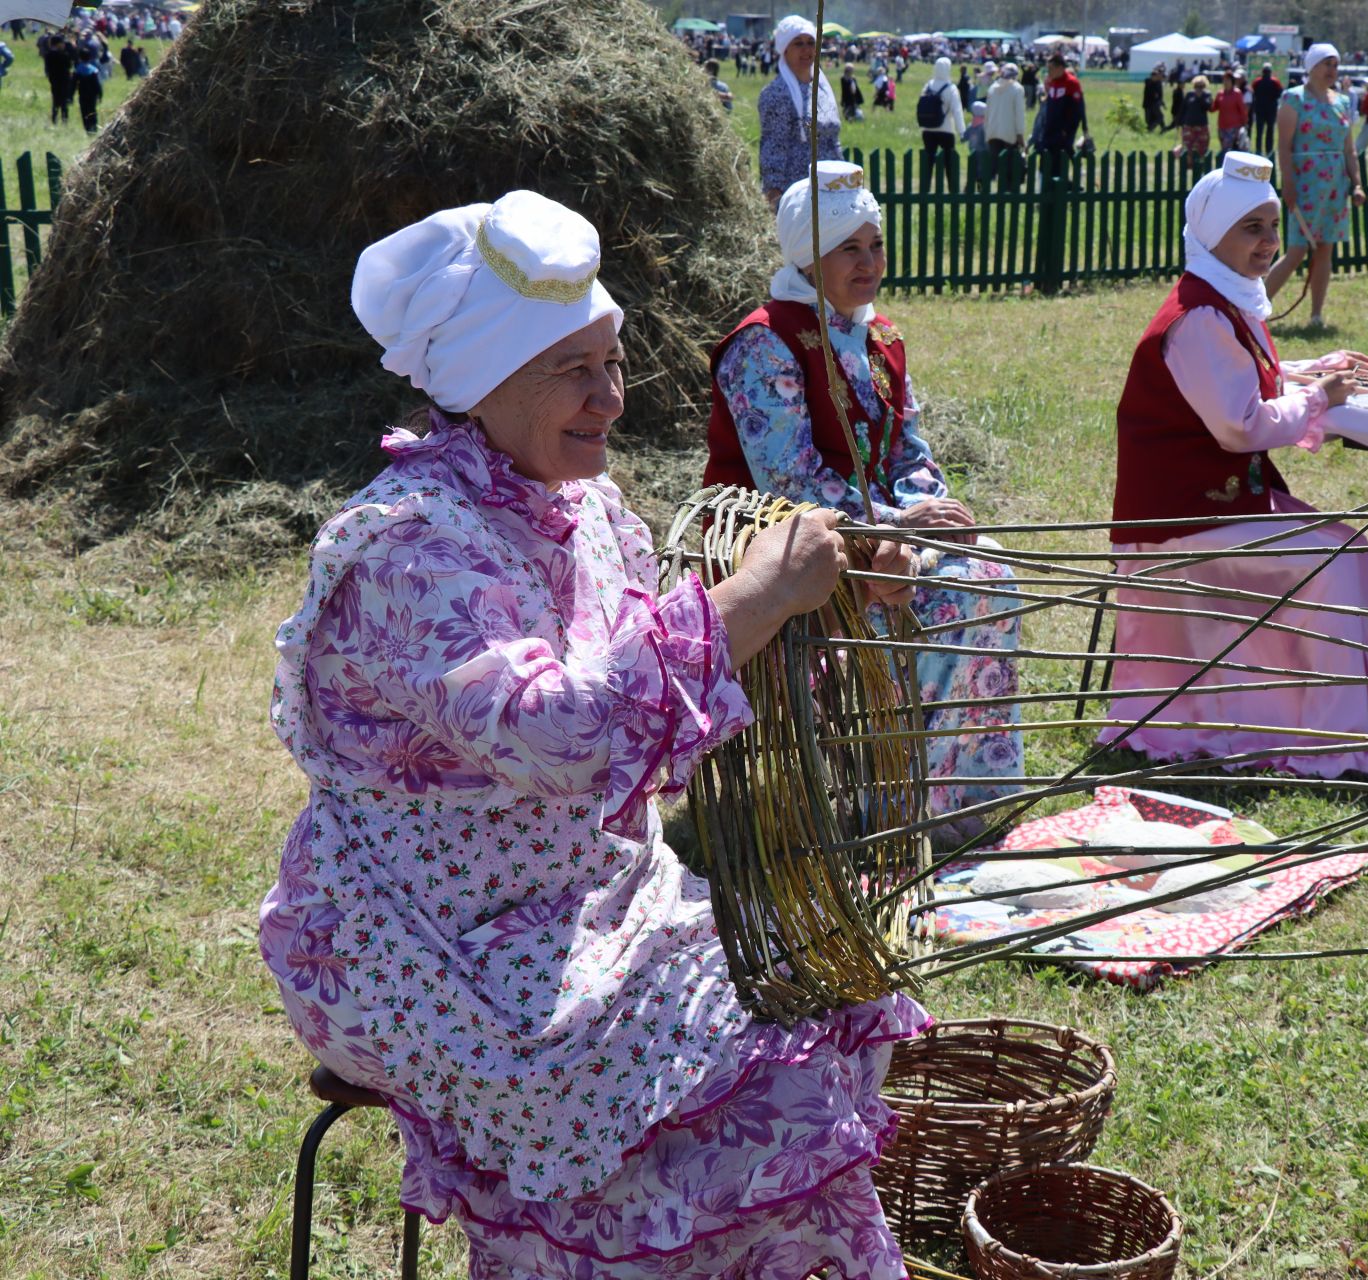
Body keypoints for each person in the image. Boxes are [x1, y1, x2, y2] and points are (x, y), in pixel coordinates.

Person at [263, 189, 928, 1280]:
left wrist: (825, 595)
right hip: (428, 936)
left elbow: (666, 669)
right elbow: (564, 730)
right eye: (574, 368)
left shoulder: (583, 509)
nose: (610, 397)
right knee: (749, 1065)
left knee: (823, 987)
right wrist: (755, 596)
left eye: (612, 361)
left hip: (592, 901)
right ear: (483, 383)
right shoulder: (404, 552)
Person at [708, 163, 1025, 835]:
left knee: (992, 570)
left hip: (883, 533)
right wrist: (890, 526)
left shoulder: (879, 336)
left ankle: (971, 793)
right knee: (939, 596)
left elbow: (908, 449)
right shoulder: (766, 343)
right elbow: (784, 482)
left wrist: (931, 515)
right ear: (807, 254)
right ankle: (901, 805)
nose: (869, 262)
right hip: (789, 546)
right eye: (848, 247)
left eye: (875, 244)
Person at [1105, 153, 1368, 779]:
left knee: (1343, 545)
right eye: (1250, 228)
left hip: (1208, 502)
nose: (1268, 243)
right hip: (1179, 518)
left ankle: (1350, 724)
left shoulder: (1221, 302)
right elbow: (1240, 425)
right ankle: (1337, 740)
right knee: (1335, 558)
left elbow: (1244, 382)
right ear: (1213, 235)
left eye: (1271, 226)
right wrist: (1318, 398)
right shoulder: (1199, 317)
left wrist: (1312, 373)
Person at [1266, 43, 1363, 329]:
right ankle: (1254, 310)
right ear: (1312, 67)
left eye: (1335, 64)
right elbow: (1284, 146)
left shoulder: (1343, 102)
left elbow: (1349, 150)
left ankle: (1316, 315)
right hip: (1305, 183)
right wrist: (1289, 183)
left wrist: (1357, 184)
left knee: (1325, 249)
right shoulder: (1293, 99)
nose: (1333, 70)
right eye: (1327, 64)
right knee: (1296, 250)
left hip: (1335, 184)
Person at [757, 15, 842, 208]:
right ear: (785, 50)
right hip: (796, 192)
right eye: (798, 44)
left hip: (830, 188)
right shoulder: (776, 93)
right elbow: (773, 147)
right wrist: (775, 196)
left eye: (811, 43)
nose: (806, 49)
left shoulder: (822, 89)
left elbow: (833, 138)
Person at [918, 55, 965, 189]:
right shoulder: (951, 88)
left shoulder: (928, 85)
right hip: (946, 130)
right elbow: (957, 111)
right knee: (949, 162)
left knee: (928, 162)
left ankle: (925, 188)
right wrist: (962, 131)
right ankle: (952, 188)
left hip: (928, 130)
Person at [1037, 52, 1090, 155]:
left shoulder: (1071, 83)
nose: (1049, 72)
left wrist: (1067, 129)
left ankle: (1077, 170)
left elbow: (1077, 109)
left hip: (1063, 131)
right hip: (1050, 128)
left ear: (1060, 68)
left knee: (1063, 156)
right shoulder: (1052, 82)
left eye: (1051, 68)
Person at [986, 61, 1026, 174]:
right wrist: (1020, 134)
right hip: (1010, 135)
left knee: (992, 168)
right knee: (1009, 171)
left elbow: (987, 113)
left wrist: (987, 132)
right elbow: (1019, 114)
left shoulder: (992, 88)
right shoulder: (1017, 89)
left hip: (993, 133)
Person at [38, 29, 72, 125]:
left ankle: (54, 119)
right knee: (64, 101)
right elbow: (69, 65)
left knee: (55, 100)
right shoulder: (63, 54)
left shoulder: (48, 55)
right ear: (58, 43)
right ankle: (64, 120)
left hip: (53, 80)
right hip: (64, 80)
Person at [1175, 74, 1212, 159]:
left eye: (1201, 86)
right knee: (1188, 147)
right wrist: (1178, 122)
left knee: (1202, 148)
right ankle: (1188, 165)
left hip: (1202, 126)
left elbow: (1208, 107)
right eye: (1196, 86)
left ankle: (1200, 165)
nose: (1198, 88)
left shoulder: (1207, 95)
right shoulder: (1189, 94)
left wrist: (1200, 97)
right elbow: (1183, 109)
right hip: (1189, 126)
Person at [1215, 71, 1250, 153]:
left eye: (1227, 80)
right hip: (1222, 126)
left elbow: (1242, 110)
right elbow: (1214, 108)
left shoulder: (1237, 93)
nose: (1225, 82)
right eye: (1224, 80)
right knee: (1224, 148)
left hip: (1233, 127)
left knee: (1228, 150)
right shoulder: (1220, 94)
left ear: (1232, 81)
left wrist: (1244, 123)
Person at [1251, 63, 1282, 152]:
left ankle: (1259, 150)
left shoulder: (1257, 81)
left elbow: (1253, 92)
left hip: (1260, 109)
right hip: (1270, 109)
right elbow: (1279, 93)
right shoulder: (1275, 81)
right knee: (1270, 131)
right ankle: (1269, 150)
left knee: (1259, 131)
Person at [71, 45, 101, 133]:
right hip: (92, 95)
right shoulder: (94, 70)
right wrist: (100, 94)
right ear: (90, 57)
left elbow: (73, 84)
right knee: (92, 110)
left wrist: (71, 95)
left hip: (82, 94)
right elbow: (97, 84)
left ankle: (87, 128)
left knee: (84, 111)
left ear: (80, 57)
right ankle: (94, 127)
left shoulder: (77, 70)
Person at [1143, 63, 1168, 134]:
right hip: (1148, 104)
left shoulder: (1158, 83)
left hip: (1155, 104)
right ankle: (1150, 129)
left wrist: (1162, 103)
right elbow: (1149, 83)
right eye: (1159, 74)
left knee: (1159, 117)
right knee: (1150, 120)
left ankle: (1161, 128)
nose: (1160, 76)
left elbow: (1160, 95)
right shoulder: (1149, 81)